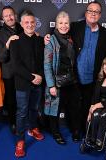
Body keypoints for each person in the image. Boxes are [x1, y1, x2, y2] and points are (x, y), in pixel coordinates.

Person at [45, 1, 106, 135]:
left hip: (92, 78)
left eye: (96, 11)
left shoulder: (105, 34)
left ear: (100, 15)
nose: (93, 14)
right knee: (71, 106)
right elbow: (60, 31)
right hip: (73, 77)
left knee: (86, 106)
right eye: (90, 11)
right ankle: (73, 129)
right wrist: (47, 37)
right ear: (86, 13)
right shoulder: (75, 27)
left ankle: (81, 130)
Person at [9, 10, 44, 157]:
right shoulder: (15, 41)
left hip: (38, 82)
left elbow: (44, 61)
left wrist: (40, 76)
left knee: (34, 108)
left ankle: (33, 128)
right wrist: (32, 77)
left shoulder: (40, 40)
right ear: (21, 24)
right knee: (22, 112)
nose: (30, 25)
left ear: (35, 23)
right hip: (23, 83)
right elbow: (16, 66)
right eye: (26, 22)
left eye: (32, 22)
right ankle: (20, 141)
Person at [44, 11, 81, 145]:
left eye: (66, 23)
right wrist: (51, 85)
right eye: (61, 23)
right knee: (55, 109)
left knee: (74, 108)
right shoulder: (50, 41)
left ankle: (75, 131)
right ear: (56, 24)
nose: (64, 26)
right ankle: (55, 132)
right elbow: (47, 65)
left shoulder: (71, 38)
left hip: (71, 80)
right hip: (57, 82)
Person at [0, 6, 23, 134]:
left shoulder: (24, 29)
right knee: (11, 101)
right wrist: (7, 44)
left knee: (24, 99)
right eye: (6, 16)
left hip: (24, 72)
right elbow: (1, 58)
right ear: (3, 18)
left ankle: (24, 121)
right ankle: (13, 123)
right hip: (9, 73)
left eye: (11, 14)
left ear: (15, 15)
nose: (9, 17)